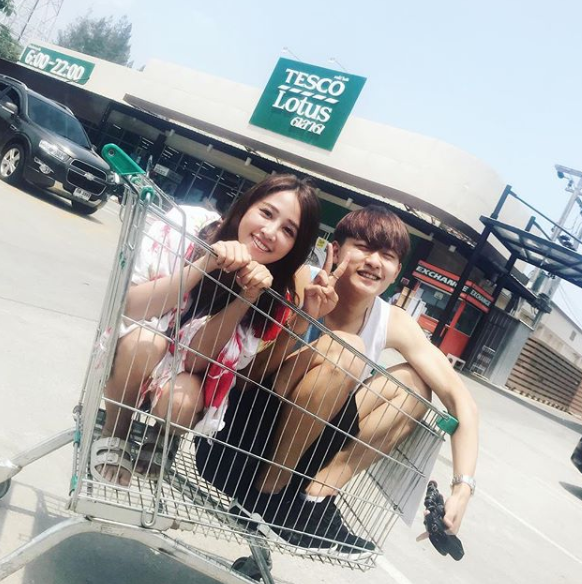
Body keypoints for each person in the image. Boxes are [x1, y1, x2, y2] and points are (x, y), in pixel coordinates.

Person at [196, 205, 478, 556]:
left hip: (304, 450)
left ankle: (314, 500)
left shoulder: (392, 321)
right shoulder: (299, 280)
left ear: (396, 272)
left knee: (416, 388)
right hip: (242, 438)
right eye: (363, 247)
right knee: (347, 349)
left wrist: (462, 489)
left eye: (387, 256)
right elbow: (245, 379)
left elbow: (460, 400)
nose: (374, 261)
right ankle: (266, 495)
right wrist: (304, 319)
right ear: (335, 250)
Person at [91, 174, 321, 486]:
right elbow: (133, 308)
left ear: (295, 247)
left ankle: (164, 437)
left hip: (189, 375)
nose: (270, 232)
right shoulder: (188, 226)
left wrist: (247, 297)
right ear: (246, 206)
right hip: (133, 354)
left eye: (288, 231)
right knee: (148, 342)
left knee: (182, 402)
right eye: (266, 213)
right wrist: (206, 263)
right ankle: (116, 431)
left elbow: (196, 359)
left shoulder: (275, 295)